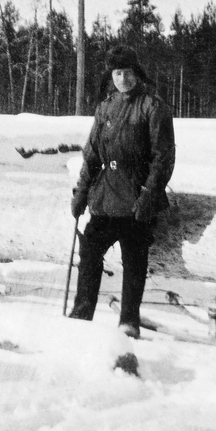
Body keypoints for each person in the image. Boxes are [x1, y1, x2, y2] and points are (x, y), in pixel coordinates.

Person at [68, 45, 176, 338]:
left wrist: (149, 194)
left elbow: (163, 157)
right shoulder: (105, 108)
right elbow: (92, 155)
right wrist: (81, 192)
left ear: (136, 73)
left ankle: (129, 321)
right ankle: (82, 312)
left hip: (137, 198)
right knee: (89, 251)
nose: (123, 78)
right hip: (106, 196)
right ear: (111, 75)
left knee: (134, 256)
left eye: (127, 72)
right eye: (117, 73)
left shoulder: (152, 106)